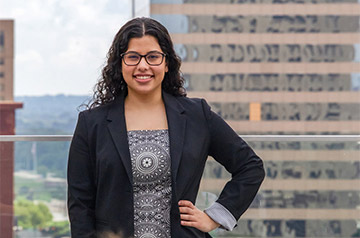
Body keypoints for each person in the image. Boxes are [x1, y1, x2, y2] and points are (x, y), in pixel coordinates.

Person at [67, 17, 265, 238]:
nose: (143, 65)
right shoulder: (91, 123)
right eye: (133, 57)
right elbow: (80, 203)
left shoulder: (196, 115)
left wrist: (215, 216)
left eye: (153, 57)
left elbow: (250, 166)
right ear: (120, 63)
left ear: (167, 62)